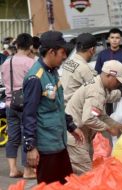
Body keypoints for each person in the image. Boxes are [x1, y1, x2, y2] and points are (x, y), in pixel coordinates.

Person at [22, 31, 84, 184]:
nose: (65, 57)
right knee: (49, 186)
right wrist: (30, 147)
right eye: (63, 52)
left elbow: (57, 106)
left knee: (66, 184)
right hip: (46, 146)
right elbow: (28, 115)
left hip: (59, 142)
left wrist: (71, 126)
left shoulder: (53, 72)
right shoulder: (35, 77)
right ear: (51, 52)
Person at [65, 60, 122, 174]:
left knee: (86, 173)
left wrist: (118, 125)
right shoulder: (97, 92)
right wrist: (108, 128)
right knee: (86, 176)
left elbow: (101, 115)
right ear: (109, 75)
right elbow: (88, 118)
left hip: (82, 135)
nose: (119, 84)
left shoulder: (99, 85)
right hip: (75, 136)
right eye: (118, 81)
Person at [1, 33, 36, 179]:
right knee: (26, 135)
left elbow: (3, 81)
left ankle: (13, 169)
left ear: (16, 45)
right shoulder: (31, 63)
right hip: (26, 104)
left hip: (10, 104)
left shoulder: (5, 63)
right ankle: (28, 171)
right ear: (30, 47)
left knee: (13, 137)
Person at [61, 33, 97, 105]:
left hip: (64, 106)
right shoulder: (84, 68)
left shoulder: (69, 62)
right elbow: (96, 91)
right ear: (92, 49)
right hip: (76, 109)